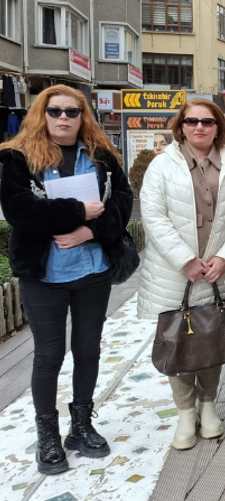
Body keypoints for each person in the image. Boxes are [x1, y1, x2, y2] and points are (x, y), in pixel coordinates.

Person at [0, 84, 133, 475]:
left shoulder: (102, 155)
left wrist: (90, 232)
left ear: (82, 116)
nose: (63, 118)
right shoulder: (17, 158)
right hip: (45, 276)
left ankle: (80, 426)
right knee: (48, 355)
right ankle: (47, 436)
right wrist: (78, 210)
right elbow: (19, 211)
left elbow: (123, 202)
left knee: (88, 350)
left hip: (92, 270)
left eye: (71, 112)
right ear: (42, 114)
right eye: (55, 111)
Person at [137, 98, 225, 450]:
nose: (199, 127)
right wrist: (184, 258)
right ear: (180, 126)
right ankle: (186, 412)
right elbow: (152, 215)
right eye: (191, 122)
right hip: (175, 270)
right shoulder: (162, 166)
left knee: (211, 335)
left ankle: (209, 405)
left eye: (207, 121)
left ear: (218, 127)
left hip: (217, 268)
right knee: (180, 339)